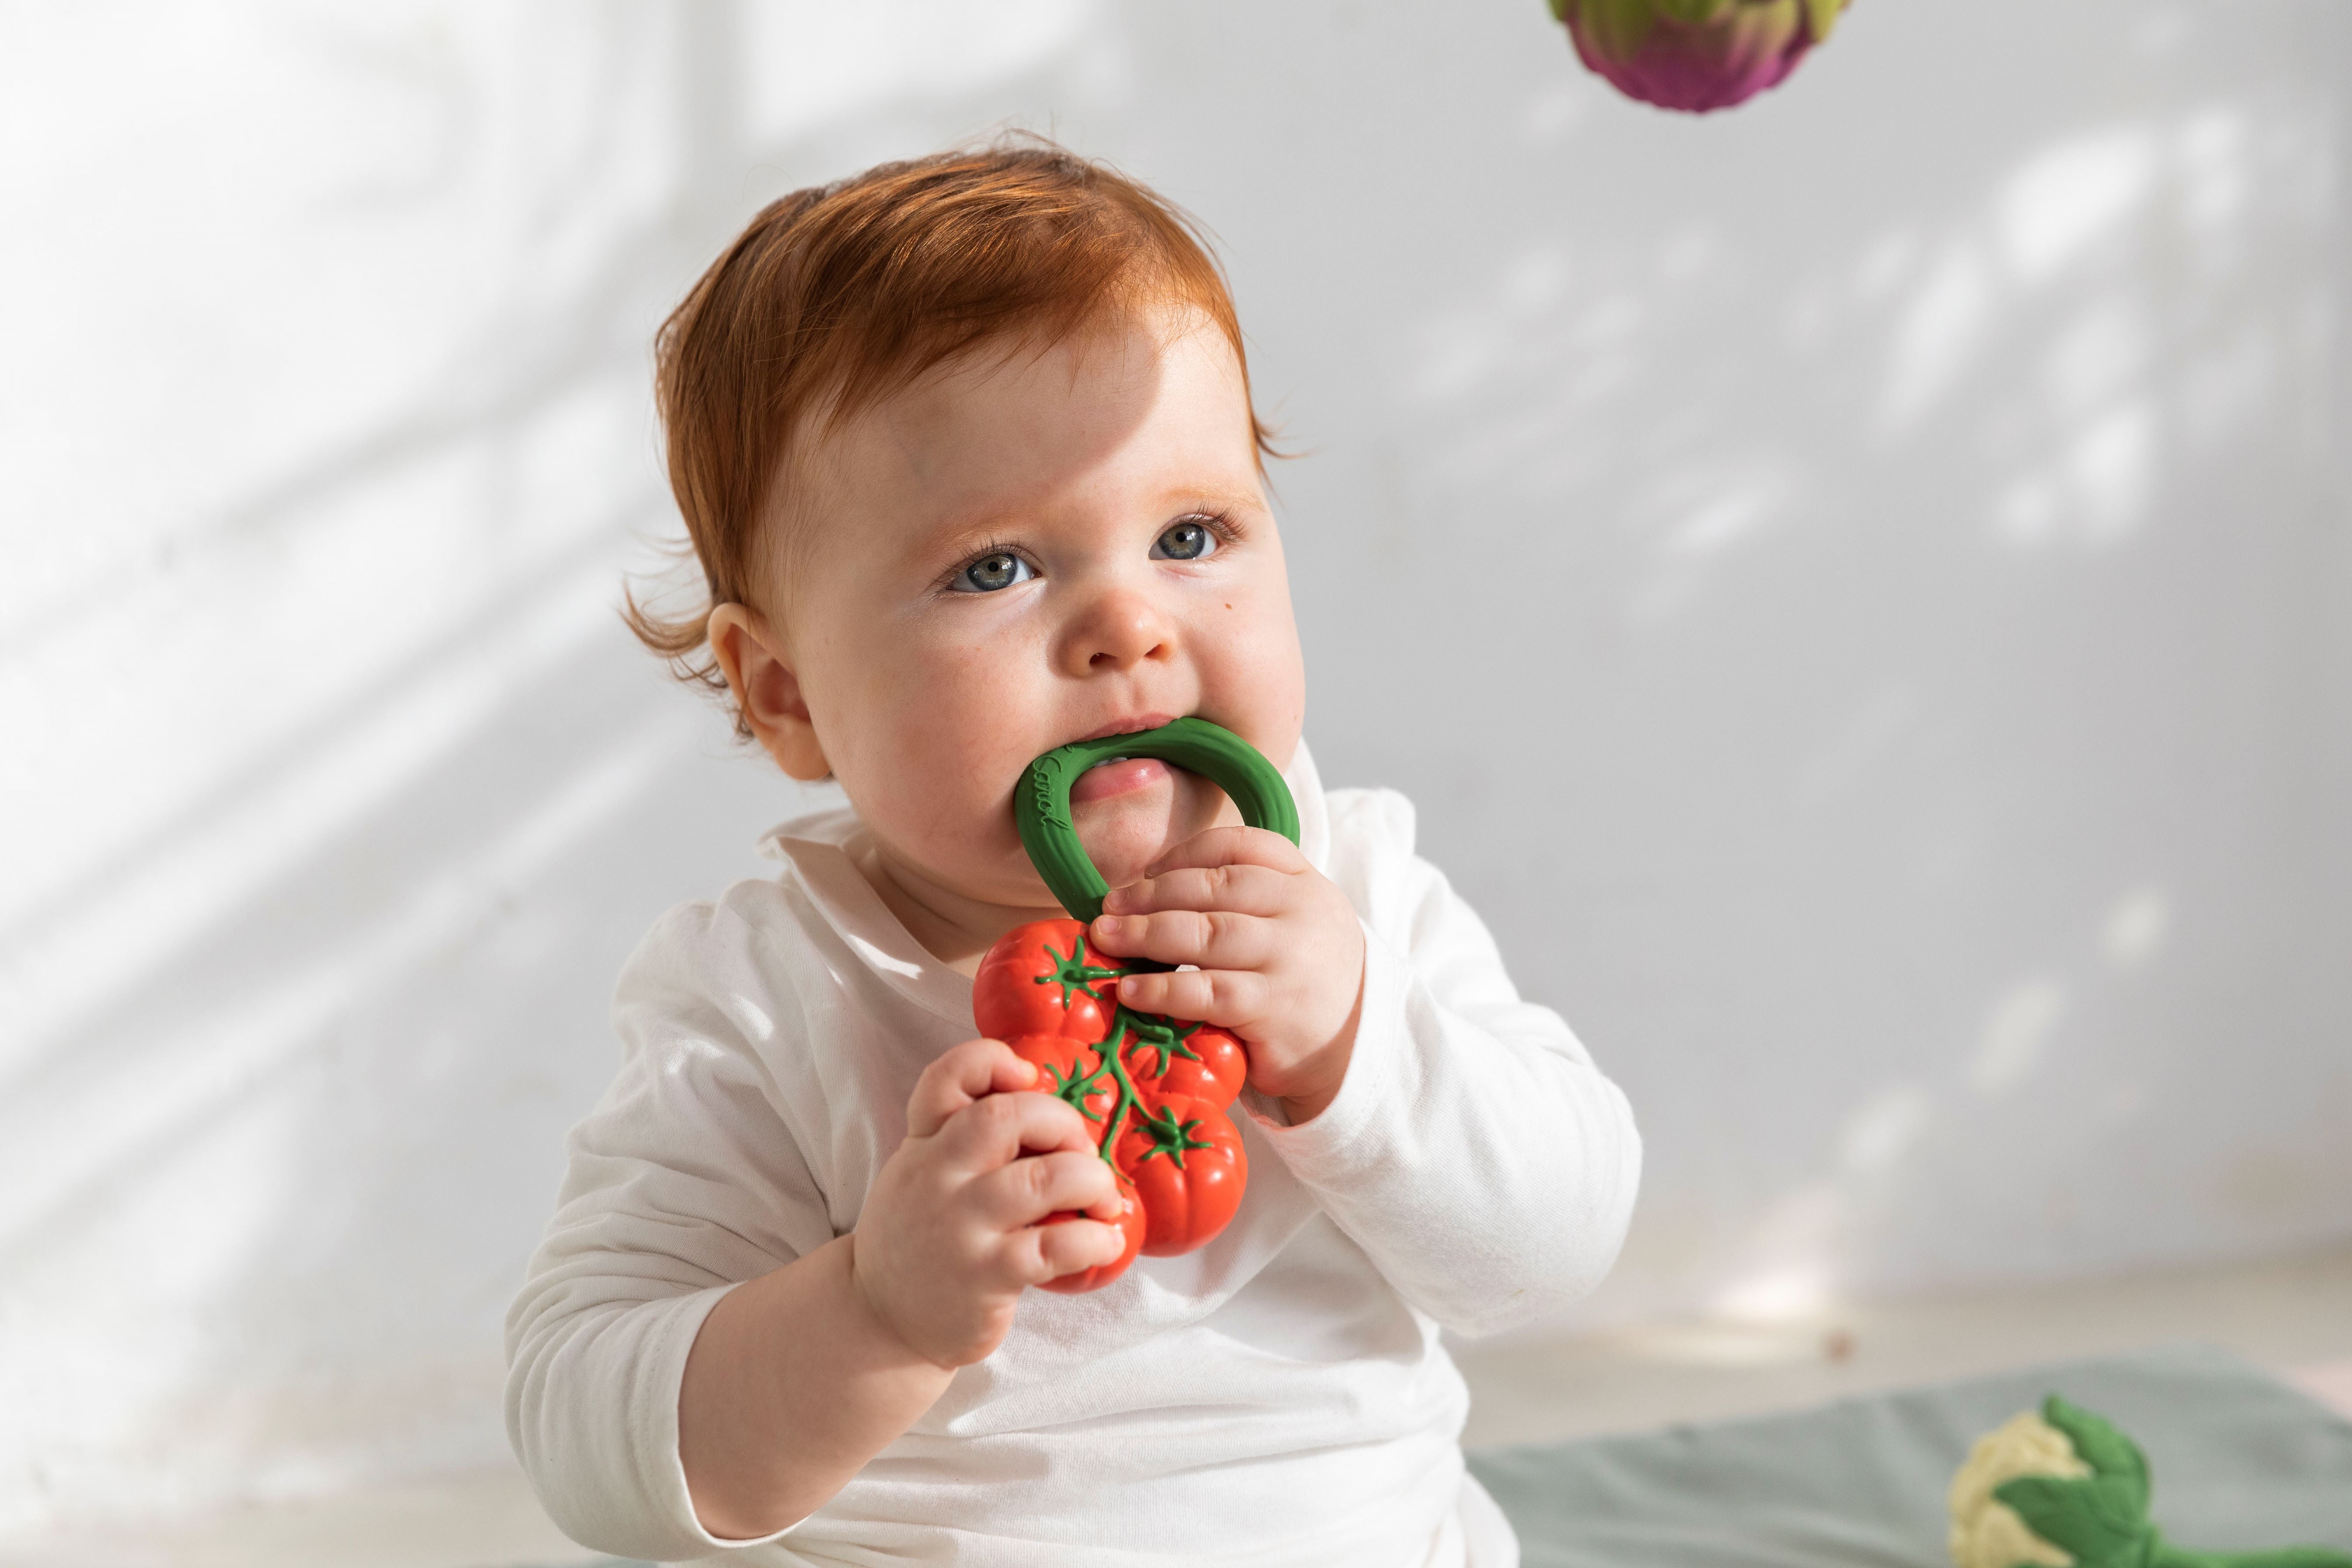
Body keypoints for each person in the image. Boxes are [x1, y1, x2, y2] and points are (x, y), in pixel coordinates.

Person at [504, 138, 1641, 1568]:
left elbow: (1559, 1243)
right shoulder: (761, 1000)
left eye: (1191, 534)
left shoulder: (1347, 893)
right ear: (786, 693)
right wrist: (874, 1310)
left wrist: (1362, 1045)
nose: (1130, 625)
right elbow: (583, 1437)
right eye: (997, 568)